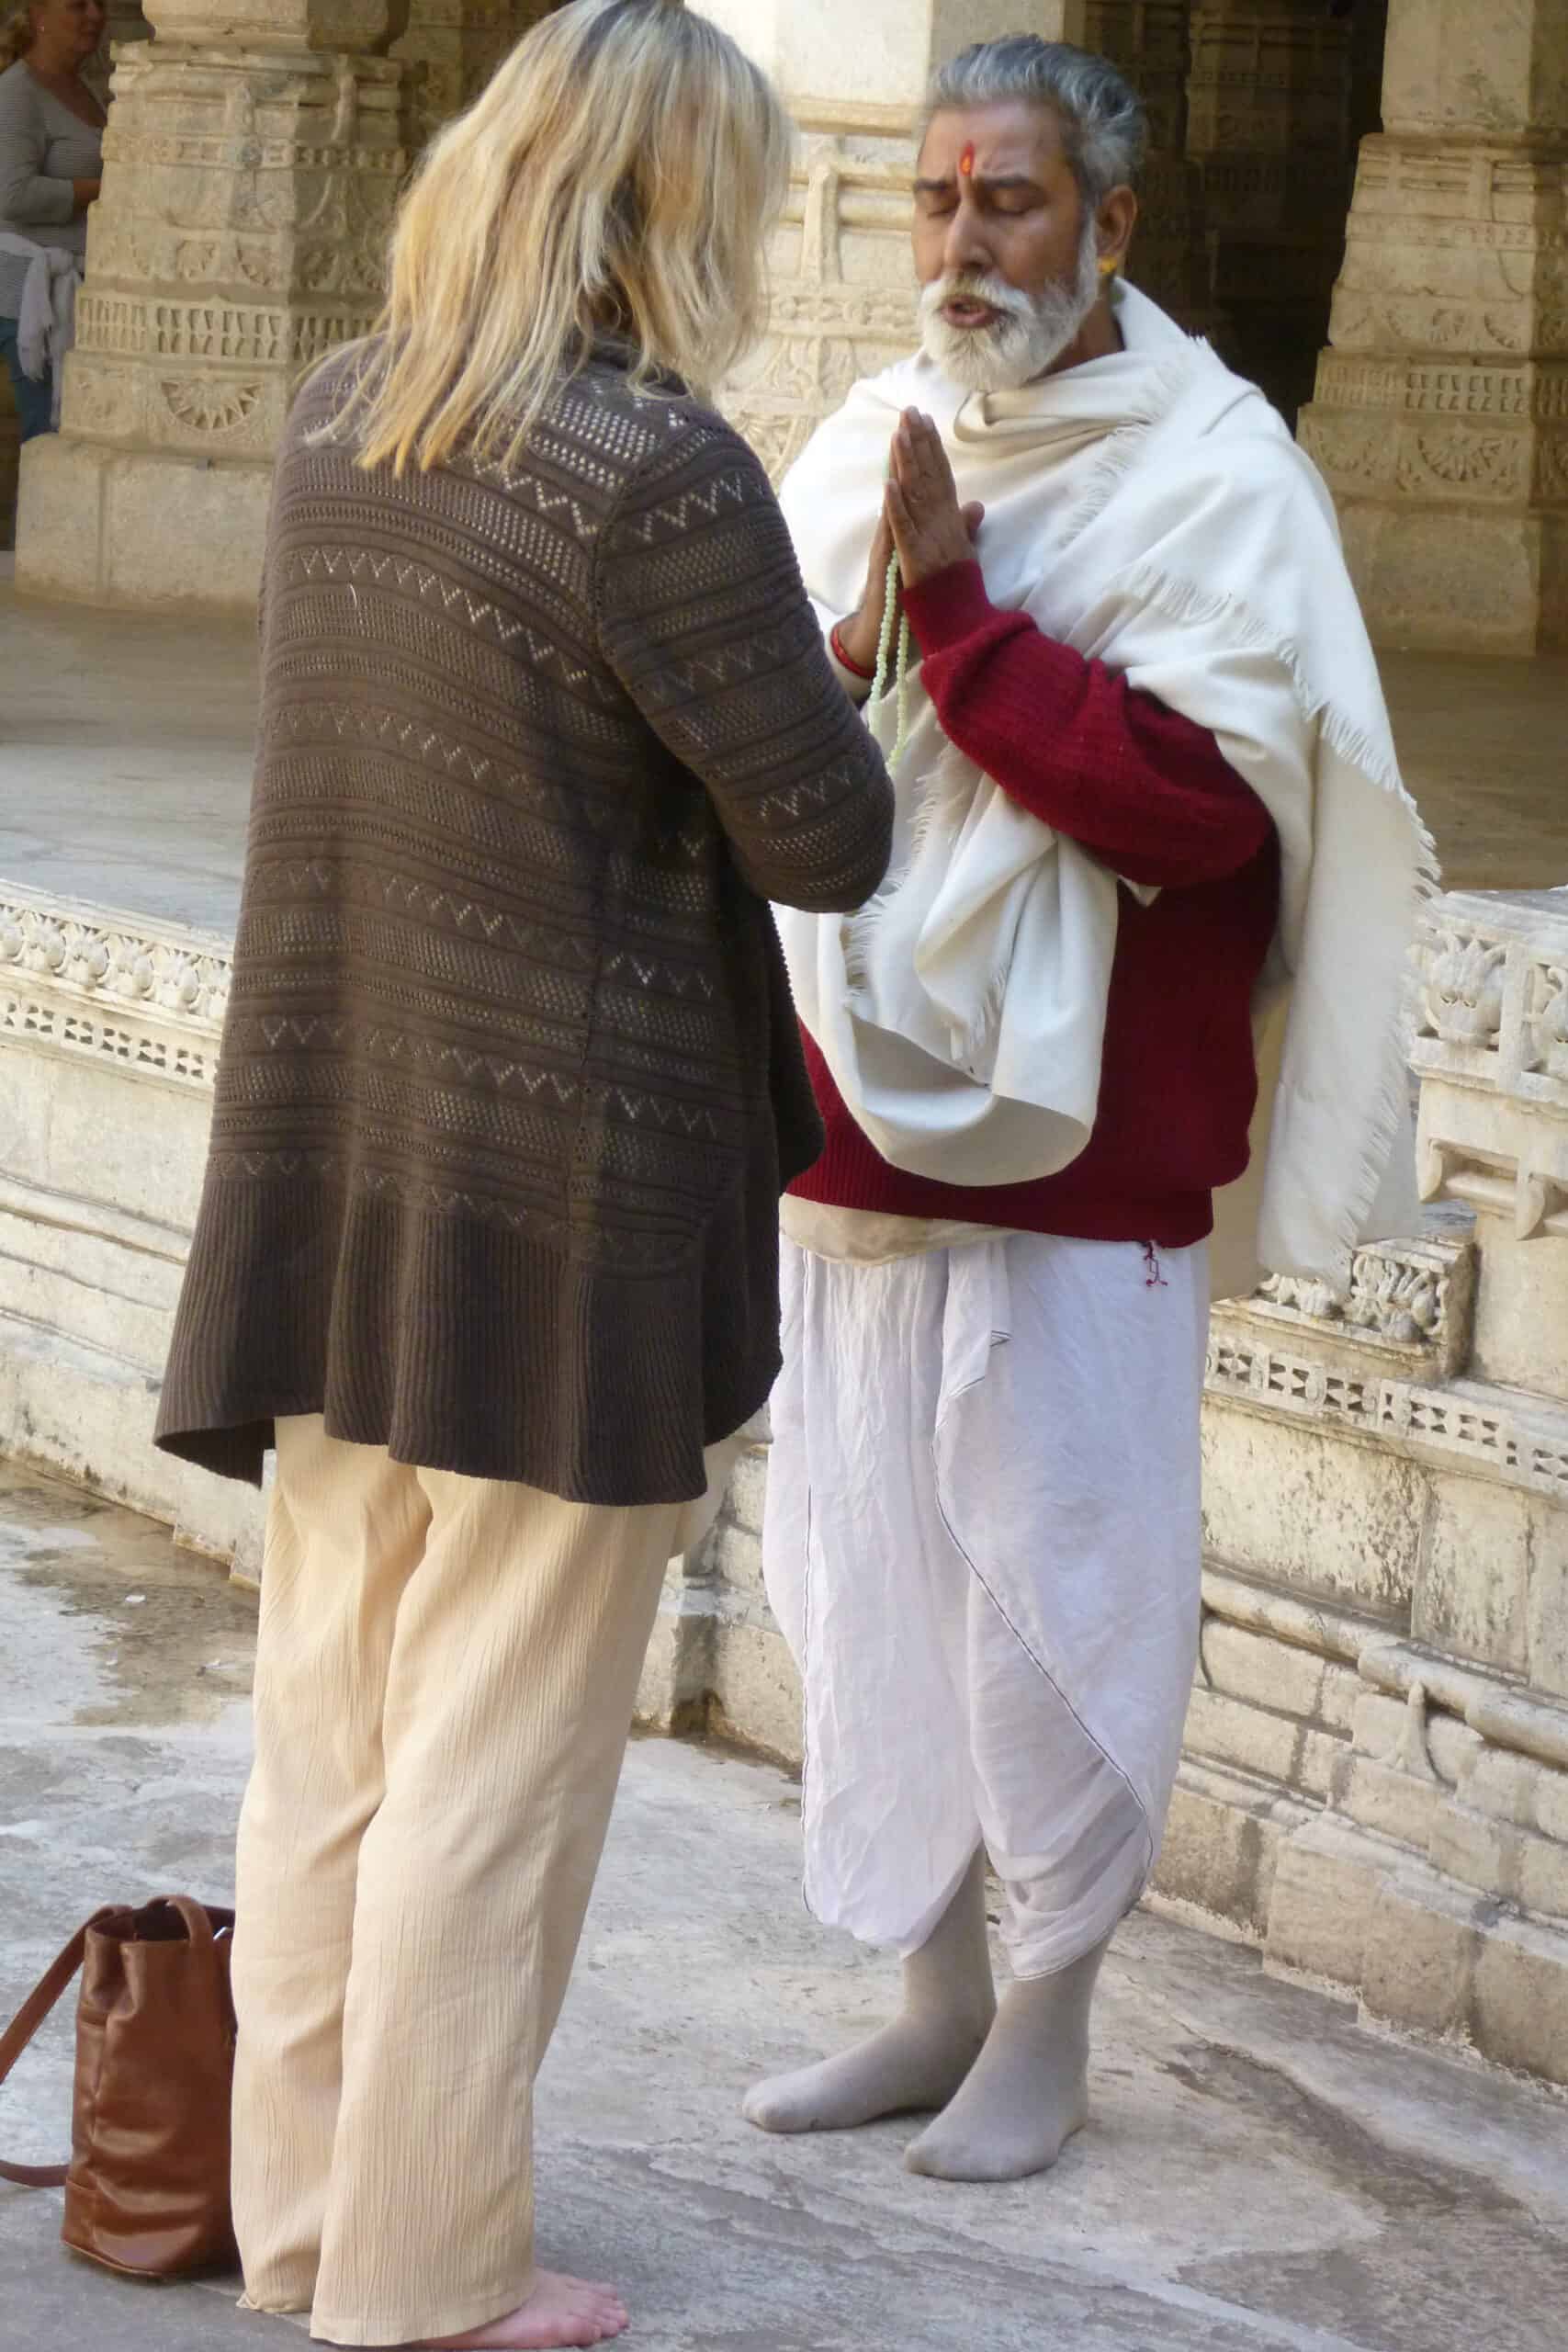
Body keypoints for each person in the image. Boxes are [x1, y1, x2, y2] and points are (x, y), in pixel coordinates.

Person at [153, 3, 892, 2345]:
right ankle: (429, 2272)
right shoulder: (657, 468)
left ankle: (302, 2226)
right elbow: (825, 836)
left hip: (333, 1154)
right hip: (564, 1193)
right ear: (675, 204)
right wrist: (840, 668)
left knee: (329, 1726)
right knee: (493, 1755)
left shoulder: (335, 414)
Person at [746, 37, 1431, 2184]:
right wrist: (848, 650)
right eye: (936, 197)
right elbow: (784, 733)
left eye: (1009, 200)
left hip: (1084, 1149)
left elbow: (1203, 809)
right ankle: (930, 1999)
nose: (960, 242)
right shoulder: (870, 431)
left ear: (1108, 225)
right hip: (854, 1133)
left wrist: (954, 622)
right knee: (870, 1575)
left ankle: (1044, 2023)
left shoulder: (1217, 475)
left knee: (1057, 1587)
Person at [0, 0, 104, 438]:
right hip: (31, 297)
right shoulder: (16, 92)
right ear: (39, 15)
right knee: (48, 436)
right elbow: (11, 195)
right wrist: (110, 188)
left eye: (99, 4)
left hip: (78, 289)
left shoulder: (83, 87)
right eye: (77, 5)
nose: (95, 15)